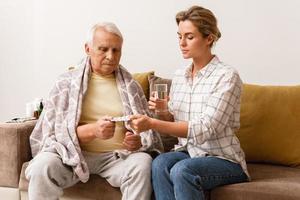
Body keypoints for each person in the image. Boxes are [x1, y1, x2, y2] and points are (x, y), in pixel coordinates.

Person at [25, 22, 162, 200]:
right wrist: (92, 131)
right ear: (88, 48)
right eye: (103, 49)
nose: (110, 56)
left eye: (116, 50)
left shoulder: (132, 87)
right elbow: (53, 134)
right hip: (70, 154)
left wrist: (137, 141)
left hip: (118, 157)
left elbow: (147, 132)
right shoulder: (65, 84)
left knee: (142, 163)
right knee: (42, 166)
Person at [130, 5, 250, 200]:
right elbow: (174, 118)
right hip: (189, 152)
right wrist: (163, 112)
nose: (182, 43)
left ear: (209, 38)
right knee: (160, 163)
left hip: (222, 158)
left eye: (189, 37)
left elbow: (204, 129)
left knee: (181, 170)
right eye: (179, 36)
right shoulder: (180, 76)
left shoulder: (227, 76)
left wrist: (152, 123)